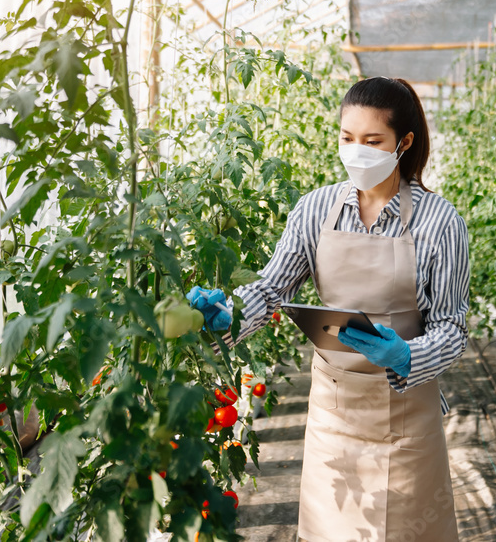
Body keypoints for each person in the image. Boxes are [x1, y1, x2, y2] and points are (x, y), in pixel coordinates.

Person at [188, 76, 470, 542]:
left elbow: (452, 328)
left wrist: (405, 356)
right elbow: (272, 287)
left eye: (372, 140)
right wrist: (228, 315)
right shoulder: (316, 209)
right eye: (347, 138)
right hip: (334, 414)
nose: (357, 150)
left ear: (404, 142)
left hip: (406, 411)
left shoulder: (440, 223)